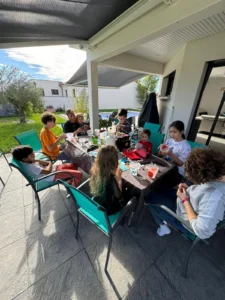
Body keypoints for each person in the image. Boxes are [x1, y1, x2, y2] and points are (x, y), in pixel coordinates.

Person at [147, 148, 225, 239]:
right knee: (155, 187)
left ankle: (163, 227)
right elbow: (203, 194)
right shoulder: (218, 174)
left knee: (149, 197)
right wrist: (190, 190)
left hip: (184, 220)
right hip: (189, 202)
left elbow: (202, 232)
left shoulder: (215, 198)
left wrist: (185, 200)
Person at [90, 145, 139, 215]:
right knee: (132, 188)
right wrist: (119, 179)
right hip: (109, 209)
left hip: (99, 200)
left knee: (127, 185)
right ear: (114, 161)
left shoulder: (95, 170)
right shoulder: (111, 178)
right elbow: (119, 196)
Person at [12, 146, 82, 187]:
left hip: (55, 169)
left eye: (32, 153)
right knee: (79, 174)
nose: (33, 154)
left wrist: (38, 160)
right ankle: (73, 190)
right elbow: (48, 171)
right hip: (53, 175)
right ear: (24, 158)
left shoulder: (29, 161)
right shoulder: (30, 167)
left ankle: (70, 181)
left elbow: (47, 164)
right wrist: (49, 163)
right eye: (31, 154)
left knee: (74, 165)